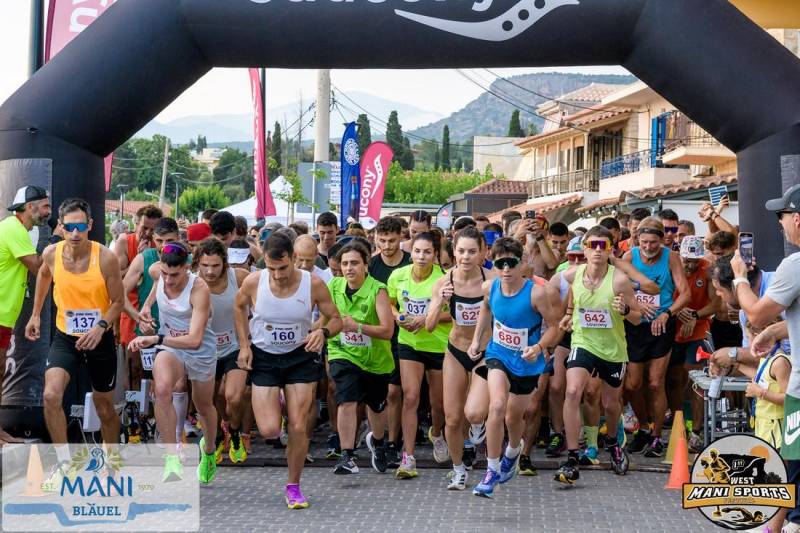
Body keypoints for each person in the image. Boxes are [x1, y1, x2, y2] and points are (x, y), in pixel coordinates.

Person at [234, 232, 342, 509]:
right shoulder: (254, 281)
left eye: (283, 268)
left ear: (294, 258)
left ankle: (294, 486)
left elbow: (335, 318)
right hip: (265, 357)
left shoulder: (313, 283)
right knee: (270, 429)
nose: (278, 275)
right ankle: (280, 401)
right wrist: (244, 345)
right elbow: (239, 306)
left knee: (298, 426)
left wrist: (322, 332)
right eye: (272, 269)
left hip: (300, 357)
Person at [26, 198, 124, 482]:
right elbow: (44, 276)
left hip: (99, 339)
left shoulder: (105, 257)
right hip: (66, 337)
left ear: (90, 225)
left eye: (81, 226)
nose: (76, 233)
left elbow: (118, 302)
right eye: (69, 227)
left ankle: (111, 463)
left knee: (104, 407)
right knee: (50, 395)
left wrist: (101, 327)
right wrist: (35, 315)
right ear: (61, 226)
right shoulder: (52, 254)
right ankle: (64, 464)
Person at [468, 237, 562, 498]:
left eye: (511, 263)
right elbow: (486, 310)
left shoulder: (536, 293)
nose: (507, 269)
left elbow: (555, 327)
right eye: (501, 264)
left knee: (513, 417)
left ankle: (512, 451)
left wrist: (539, 348)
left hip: (527, 362)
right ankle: (491, 471)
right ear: (494, 265)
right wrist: (476, 340)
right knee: (497, 406)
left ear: (522, 263)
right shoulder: (490, 287)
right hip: (498, 354)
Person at [554, 225, 643, 484]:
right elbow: (571, 296)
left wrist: (625, 310)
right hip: (583, 342)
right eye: (592, 245)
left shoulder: (619, 280)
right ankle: (572, 457)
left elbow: (637, 318)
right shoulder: (573, 274)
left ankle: (613, 442)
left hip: (613, 349)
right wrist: (568, 315)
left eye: (603, 246)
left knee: (611, 404)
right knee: (573, 392)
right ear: (584, 249)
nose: (597, 250)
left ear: (610, 250)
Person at [129, 241, 220, 484]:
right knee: (161, 389)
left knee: (203, 406)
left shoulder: (199, 289)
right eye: (165, 274)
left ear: (187, 268)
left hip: (199, 349)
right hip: (170, 346)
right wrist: (146, 307)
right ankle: (171, 456)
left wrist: (155, 338)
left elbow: (195, 340)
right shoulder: (156, 272)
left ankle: (209, 450)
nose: (168, 280)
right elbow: (155, 286)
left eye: (175, 275)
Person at [426, 227, 493, 489]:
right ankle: (458, 470)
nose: (466, 257)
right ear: (453, 252)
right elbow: (430, 325)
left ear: (483, 252)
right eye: (461, 251)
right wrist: (439, 302)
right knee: (452, 419)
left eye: (472, 251)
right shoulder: (444, 282)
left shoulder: (492, 281)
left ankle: (479, 424)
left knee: (474, 413)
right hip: (455, 351)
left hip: (485, 352)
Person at [324, 241, 395, 474]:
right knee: (346, 398)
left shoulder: (378, 290)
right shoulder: (334, 285)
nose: (348, 268)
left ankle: (378, 442)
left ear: (366, 265)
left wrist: (357, 327)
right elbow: (326, 318)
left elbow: (388, 331)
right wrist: (316, 332)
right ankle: (347, 456)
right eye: (345, 264)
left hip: (376, 360)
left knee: (376, 405)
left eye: (354, 263)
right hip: (342, 352)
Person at [622, 217, 689, 457]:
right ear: (637, 240)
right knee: (632, 384)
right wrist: (636, 302)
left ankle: (656, 436)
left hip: (662, 324)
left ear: (661, 240)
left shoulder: (671, 257)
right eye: (644, 242)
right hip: (635, 324)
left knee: (655, 382)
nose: (648, 247)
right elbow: (618, 288)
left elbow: (685, 294)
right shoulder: (629, 257)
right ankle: (642, 427)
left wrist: (667, 314)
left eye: (653, 242)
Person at [388, 231, 451, 479]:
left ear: (435, 255)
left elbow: (452, 314)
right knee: (411, 397)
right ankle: (408, 457)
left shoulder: (444, 279)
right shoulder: (398, 275)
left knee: (438, 404)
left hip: (437, 345)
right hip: (409, 343)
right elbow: (390, 303)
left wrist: (425, 319)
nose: (421, 256)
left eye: (427, 252)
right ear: (411, 252)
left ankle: (436, 433)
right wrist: (399, 317)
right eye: (417, 251)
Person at [0, 185, 50, 444]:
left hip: (4, 315)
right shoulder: (13, 228)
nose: (49, 212)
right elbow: (38, 267)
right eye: (45, 206)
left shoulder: (18, 229)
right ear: (30, 207)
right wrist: (56, 240)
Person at [193, 239, 250, 464]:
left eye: (215, 265)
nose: (210, 271)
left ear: (225, 263)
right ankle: (217, 436)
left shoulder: (239, 277)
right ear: (197, 263)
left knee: (234, 397)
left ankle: (234, 433)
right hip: (205, 350)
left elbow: (263, 291)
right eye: (205, 265)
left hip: (235, 346)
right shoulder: (191, 282)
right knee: (211, 398)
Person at [368, 216, 412, 466]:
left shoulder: (411, 262)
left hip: (403, 336)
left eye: (392, 241)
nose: (386, 246)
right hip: (376, 336)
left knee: (395, 392)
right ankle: (377, 437)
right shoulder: (371, 265)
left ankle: (393, 442)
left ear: (401, 238)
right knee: (376, 393)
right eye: (382, 240)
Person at [669, 236, 718, 450]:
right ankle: (678, 426)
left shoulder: (707, 270)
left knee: (696, 378)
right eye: (687, 260)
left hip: (698, 328)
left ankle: (696, 431)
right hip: (673, 327)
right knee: (673, 379)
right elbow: (662, 296)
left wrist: (694, 316)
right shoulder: (671, 266)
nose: (690, 265)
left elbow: (716, 303)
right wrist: (678, 311)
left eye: (694, 261)